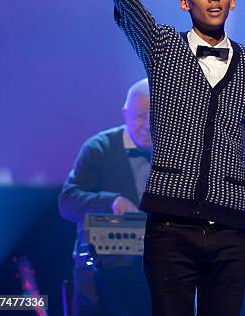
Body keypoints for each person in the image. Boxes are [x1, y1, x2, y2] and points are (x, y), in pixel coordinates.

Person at [85, 0, 245, 316]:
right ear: (185, 2)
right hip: (171, 225)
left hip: (231, 227)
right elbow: (133, 16)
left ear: (232, 0)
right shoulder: (164, 47)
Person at [59, 78, 152, 316]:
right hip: (101, 270)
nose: (148, 125)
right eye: (141, 116)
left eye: (156, 117)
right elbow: (68, 202)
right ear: (125, 113)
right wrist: (110, 201)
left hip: (156, 267)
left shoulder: (176, 151)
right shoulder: (98, 148)